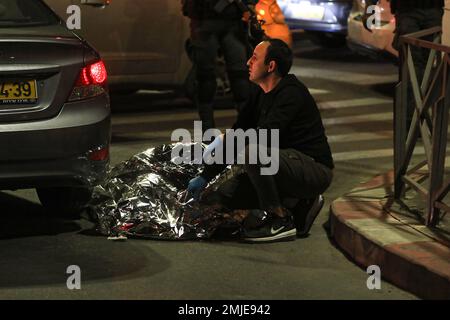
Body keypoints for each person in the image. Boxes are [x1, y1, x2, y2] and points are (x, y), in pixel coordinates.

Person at [186, 39, 334, 243]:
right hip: (279, 165)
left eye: (254, 58)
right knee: (218, 198)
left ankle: (278, 219)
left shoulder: (291, 93)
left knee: (253, 152)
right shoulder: (259, 93)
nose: (248, 62)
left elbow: (263, 136)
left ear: (271, 66)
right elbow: (239, 132)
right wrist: (206, 175)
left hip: (312, 168)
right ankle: (296, 203)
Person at [363, 0, 444, 128]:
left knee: (424, 68)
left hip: (431, 9)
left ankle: (415, 121)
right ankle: (410, 122)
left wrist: (370, 9)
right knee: (413, 67)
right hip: (409, 11)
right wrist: (370, 8)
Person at [182, 0, 258, 132]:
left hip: (231, 22)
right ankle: (207, 129)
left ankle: (246, 127)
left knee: (240, 77)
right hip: (204, 19)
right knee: (205, 77)